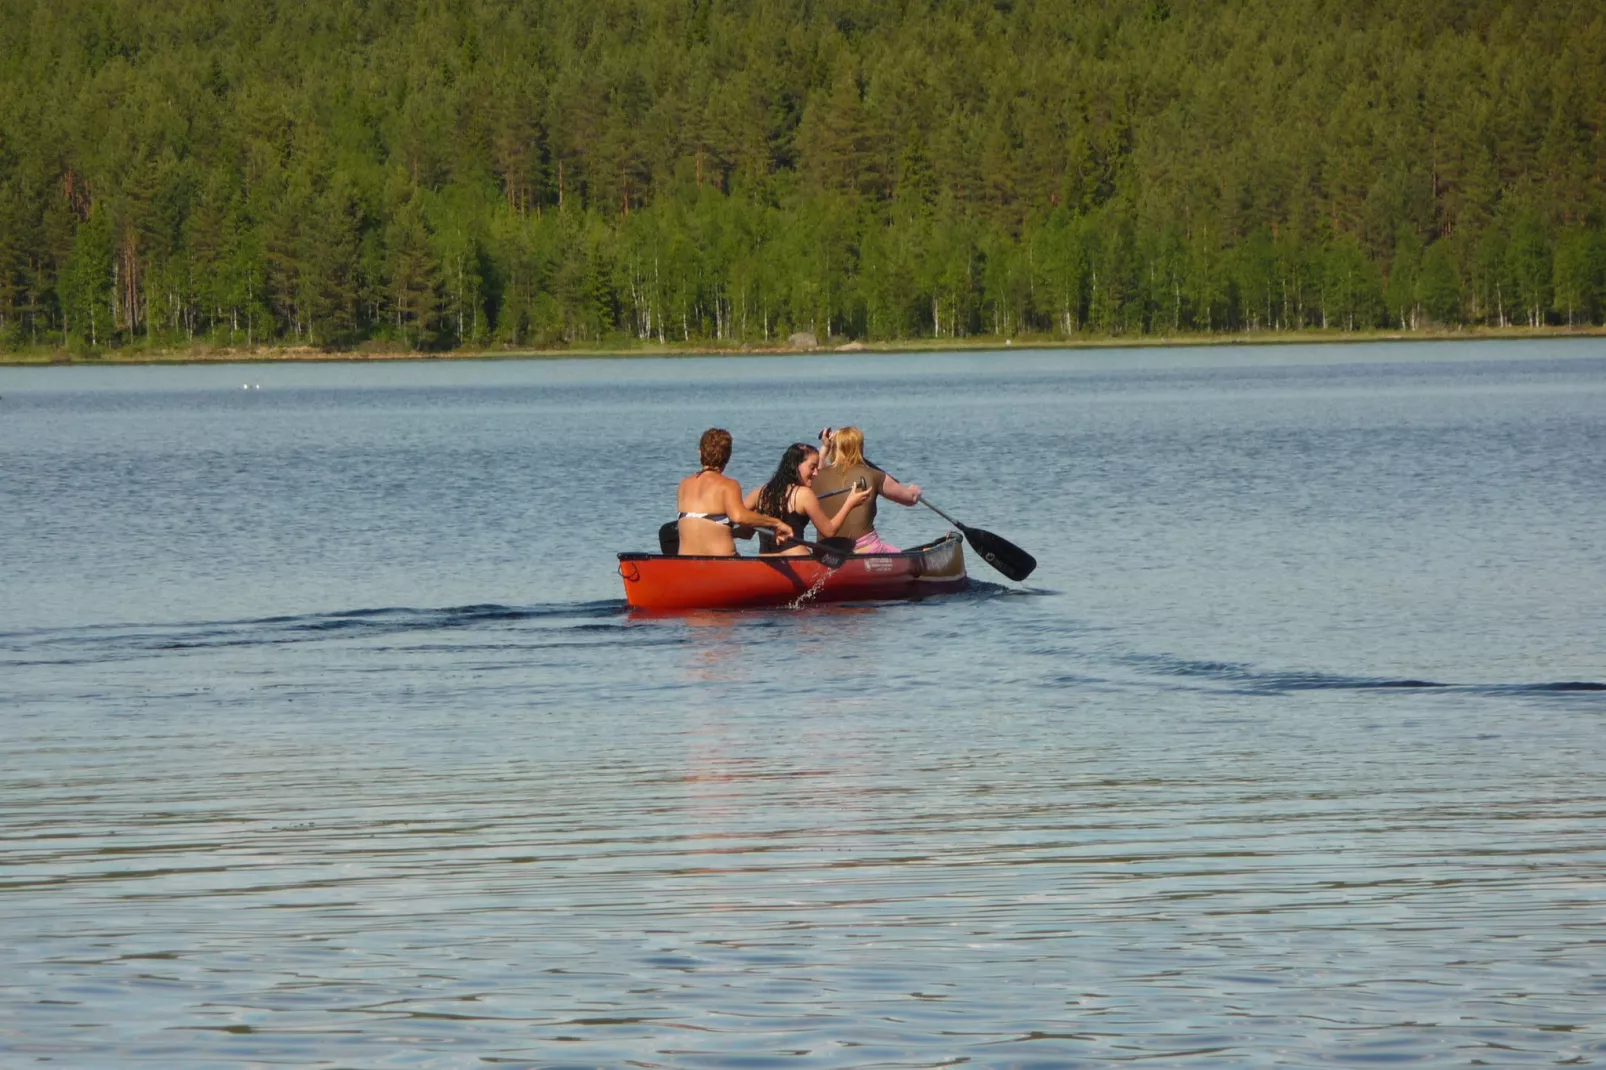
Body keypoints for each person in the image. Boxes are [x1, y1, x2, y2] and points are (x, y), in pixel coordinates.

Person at [676, 428, 793, 556]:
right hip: (722, 563)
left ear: (700, 453)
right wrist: (777, 523)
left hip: (687, 562)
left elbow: (706, 523)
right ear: (728, 456)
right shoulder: (728, 485)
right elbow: (739, 516)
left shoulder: (684, 484)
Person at [742, 442, 873, 556]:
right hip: (798, 560)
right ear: (796, 465)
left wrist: (750, 527)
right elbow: (829, 531)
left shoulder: (759, 492)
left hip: (765, 562)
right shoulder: (805, 494)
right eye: (812, 467)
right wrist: (849, 503)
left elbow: (736, 516)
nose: (816, 473)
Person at [811, 426, 922, 553]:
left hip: (825, 550)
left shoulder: (815, 476)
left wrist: (825, 448)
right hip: (864, 549)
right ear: (860, 448)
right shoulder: (874, 475)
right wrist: (914, 492)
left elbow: (818, 466)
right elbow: (910, 499)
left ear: (834, 448)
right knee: (896, 552)